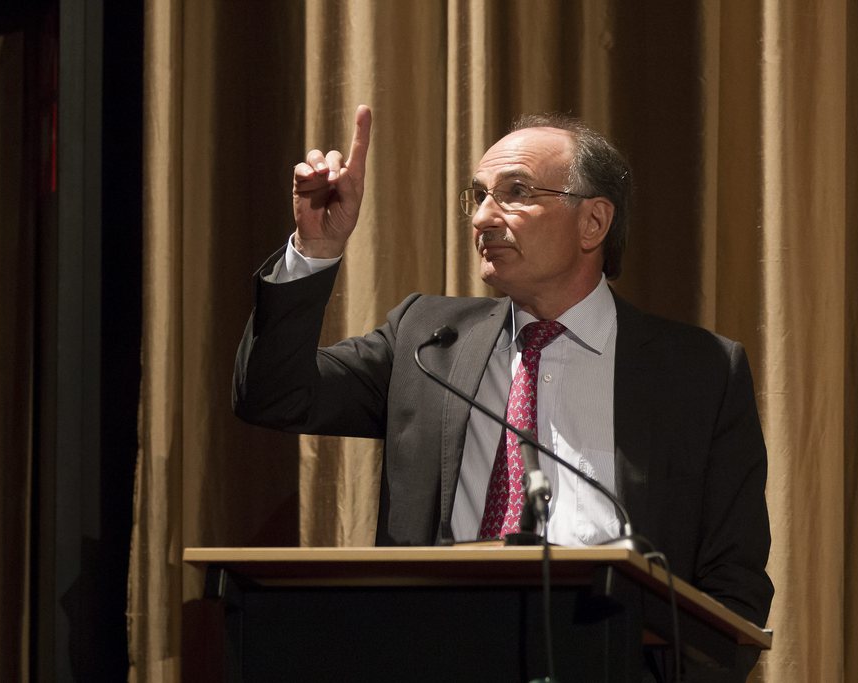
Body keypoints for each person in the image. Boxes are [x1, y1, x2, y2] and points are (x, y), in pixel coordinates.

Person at [232, 105, 773, 639]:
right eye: (480, 194)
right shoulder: (427, 339)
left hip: (612, 657)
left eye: (516, 192)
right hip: (439, 652)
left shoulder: (698, 373)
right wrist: (316, 249)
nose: (483, 217)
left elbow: (733, 582)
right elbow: (274, 395)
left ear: (593, 222)